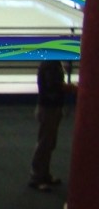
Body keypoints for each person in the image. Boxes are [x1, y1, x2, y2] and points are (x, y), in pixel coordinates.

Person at [28, 60, 77, 192]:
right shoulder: (50, 64)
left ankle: (44, 174)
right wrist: (71, 88)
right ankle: (36, 177)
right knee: (44, 144)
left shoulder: (52, 63)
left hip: (51, 107)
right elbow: (53, 86)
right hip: (48, 108)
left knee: (49, 143)